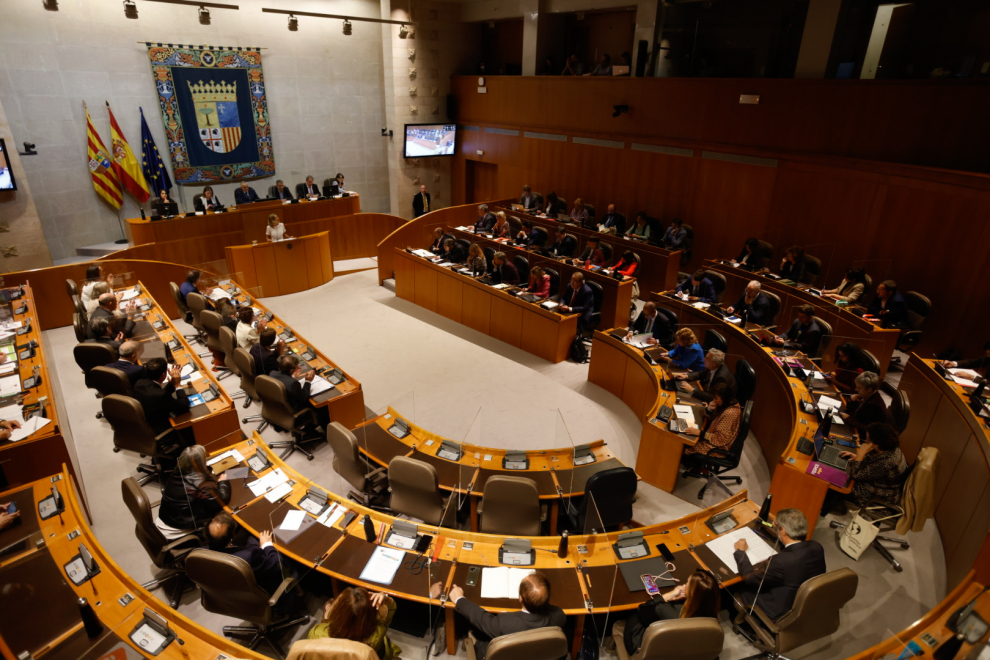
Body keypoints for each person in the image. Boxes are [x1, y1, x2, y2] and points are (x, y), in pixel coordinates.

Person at [433, 572, 565, 660]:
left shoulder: (505, 623)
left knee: (476, 631)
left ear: (520, 598)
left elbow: (481, 618)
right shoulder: (559, 616)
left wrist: (459, 599)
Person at [730, 508, 826, 622]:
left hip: (777, 609)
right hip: (802, 601)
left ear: (783, 531)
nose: (773, 526)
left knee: (736, 585)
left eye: (776, 526)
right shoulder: (816, 546)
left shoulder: (781, 561)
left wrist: (740, 552)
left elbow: (749, 578)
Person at [622, 570, 720, 656]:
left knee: (635, 617)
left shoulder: (665, 609)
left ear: (691, 593)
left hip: (649, 652)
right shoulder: (712, 619)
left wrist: (669, 595)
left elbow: (642, 609)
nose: (684, 586)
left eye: (687, 584)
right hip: (684, 653)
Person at [154, 445, 230, 539]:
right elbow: (221, 499)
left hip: (169, 517)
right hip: (181, 527)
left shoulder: (178, 471)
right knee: (228, 513)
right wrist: (223, 481)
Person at [309, 587, 401, 660]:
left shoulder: (316, 633)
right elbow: (391, 609)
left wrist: (326, 617)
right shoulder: (378, 632)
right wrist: (384, 597)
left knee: (328, 603)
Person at [205, 512, 284, 596]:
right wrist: (266, 545)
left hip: (229, 592)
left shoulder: (201, 553)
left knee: (251, 538)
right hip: (263, 589)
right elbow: (277, 564)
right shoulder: (250, 555)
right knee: (284, 552)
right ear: (233, 535)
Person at [839, 422, 908, 508]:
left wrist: (861, 454)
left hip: (872, 497)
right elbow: (872, 462)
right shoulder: (892, 449)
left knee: (835, 483)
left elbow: (855, 475)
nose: (865, 442)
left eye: (868, 440)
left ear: (876, 444)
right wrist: (858, 458)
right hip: (874, 486)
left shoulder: (887, 462)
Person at [682, 383, 742, 461]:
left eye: (716, 398)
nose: (714, 400)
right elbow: (716, 420)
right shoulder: (728, 403)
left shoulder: (729, 413)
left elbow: (721, 439)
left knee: (685, 447)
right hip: (713, 438)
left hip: (719, 448)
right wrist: (709, 410)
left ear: (724, 398)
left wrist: (700, 433)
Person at [133, 358, 190, 435]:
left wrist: (172, 382)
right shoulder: (161, 395)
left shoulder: (139, 383)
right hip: (161, 430)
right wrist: (177, 385)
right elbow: (184, 406)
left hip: (146, 424)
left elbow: (158, 394)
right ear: (163, 375)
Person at [839, 371, 887, 437]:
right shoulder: (865, 396)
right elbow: (854, 412)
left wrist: (849, 419)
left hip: (860, 436)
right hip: (853, 426)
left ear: (870, 389)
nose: (856, 390)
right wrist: (852, 400)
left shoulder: (876, 406)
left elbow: (868, 429)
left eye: (859, 388)